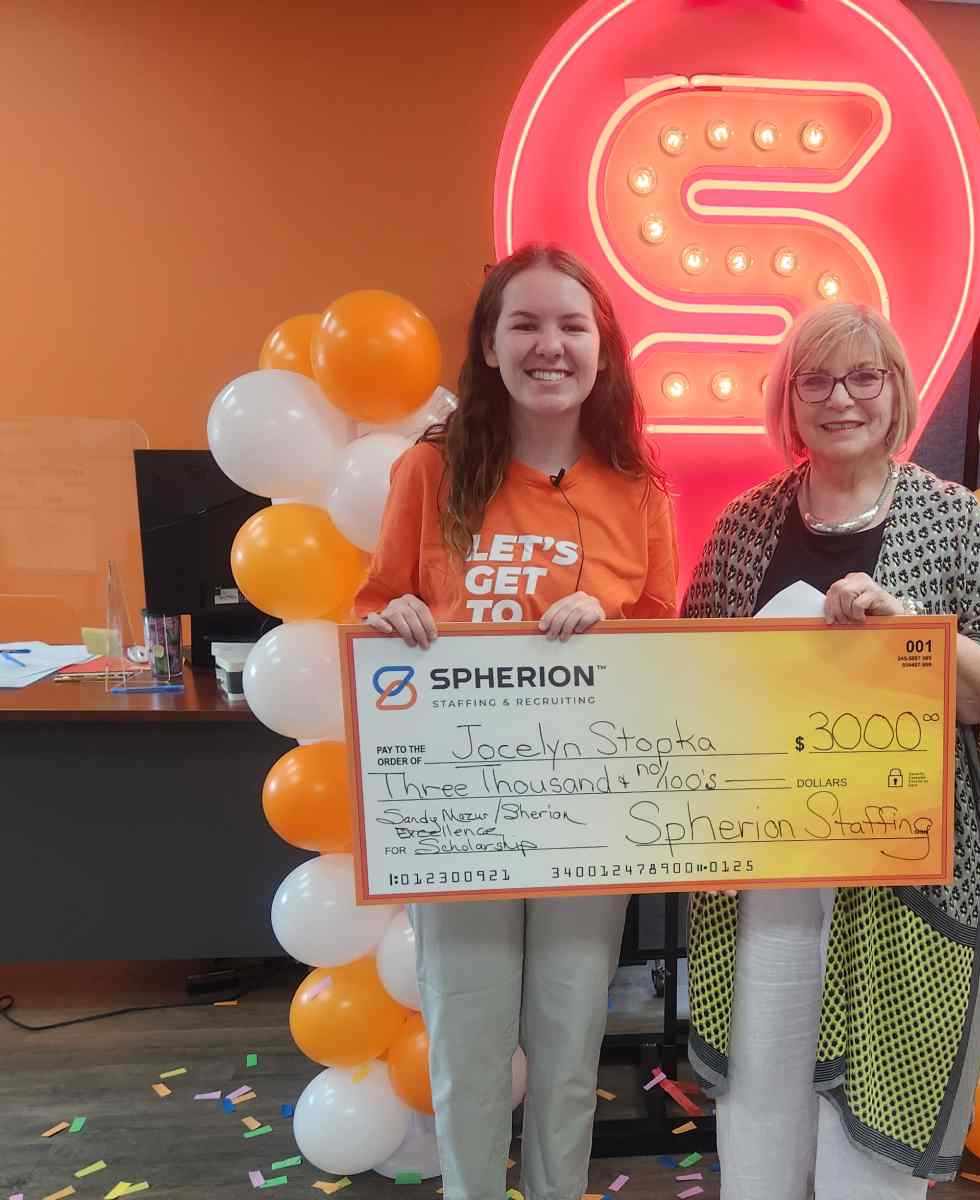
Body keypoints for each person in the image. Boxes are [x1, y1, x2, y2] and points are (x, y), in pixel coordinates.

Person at [682, 303, 980, 1197]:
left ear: (897, 392)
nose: (841, 399)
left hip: (902, 871)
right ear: (789, 401)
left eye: (864, 376)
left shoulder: (952, 520)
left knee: (873, 1117)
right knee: (763, 1085)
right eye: (816, 379)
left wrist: (906, 632)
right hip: (768, 873)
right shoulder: (743, 526)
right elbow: (688, 684)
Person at [355, 244, 679, 1200]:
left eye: (573, 326)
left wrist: (612, 621)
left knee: (573, 1050)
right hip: (463, 820)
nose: (551, 345)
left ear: (602, 349)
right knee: (468, 1050)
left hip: (586, 814)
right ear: (489, 348)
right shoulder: (431, 470)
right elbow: (377, 606)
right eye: (526, 324)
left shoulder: (640, 488)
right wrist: (395, 619)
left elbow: (667, 644)